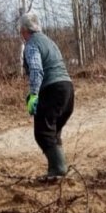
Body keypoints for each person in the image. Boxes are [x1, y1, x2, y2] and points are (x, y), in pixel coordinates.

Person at [19, 12, 74, 179]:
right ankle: (58, 168)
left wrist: (34, 94)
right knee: (53, 131)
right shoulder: (49, 41)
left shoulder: (31, 44)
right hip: (68, 89)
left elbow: (36, 70)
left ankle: (58, 170)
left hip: (53, 89)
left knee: (43, 132)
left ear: (23, 30)